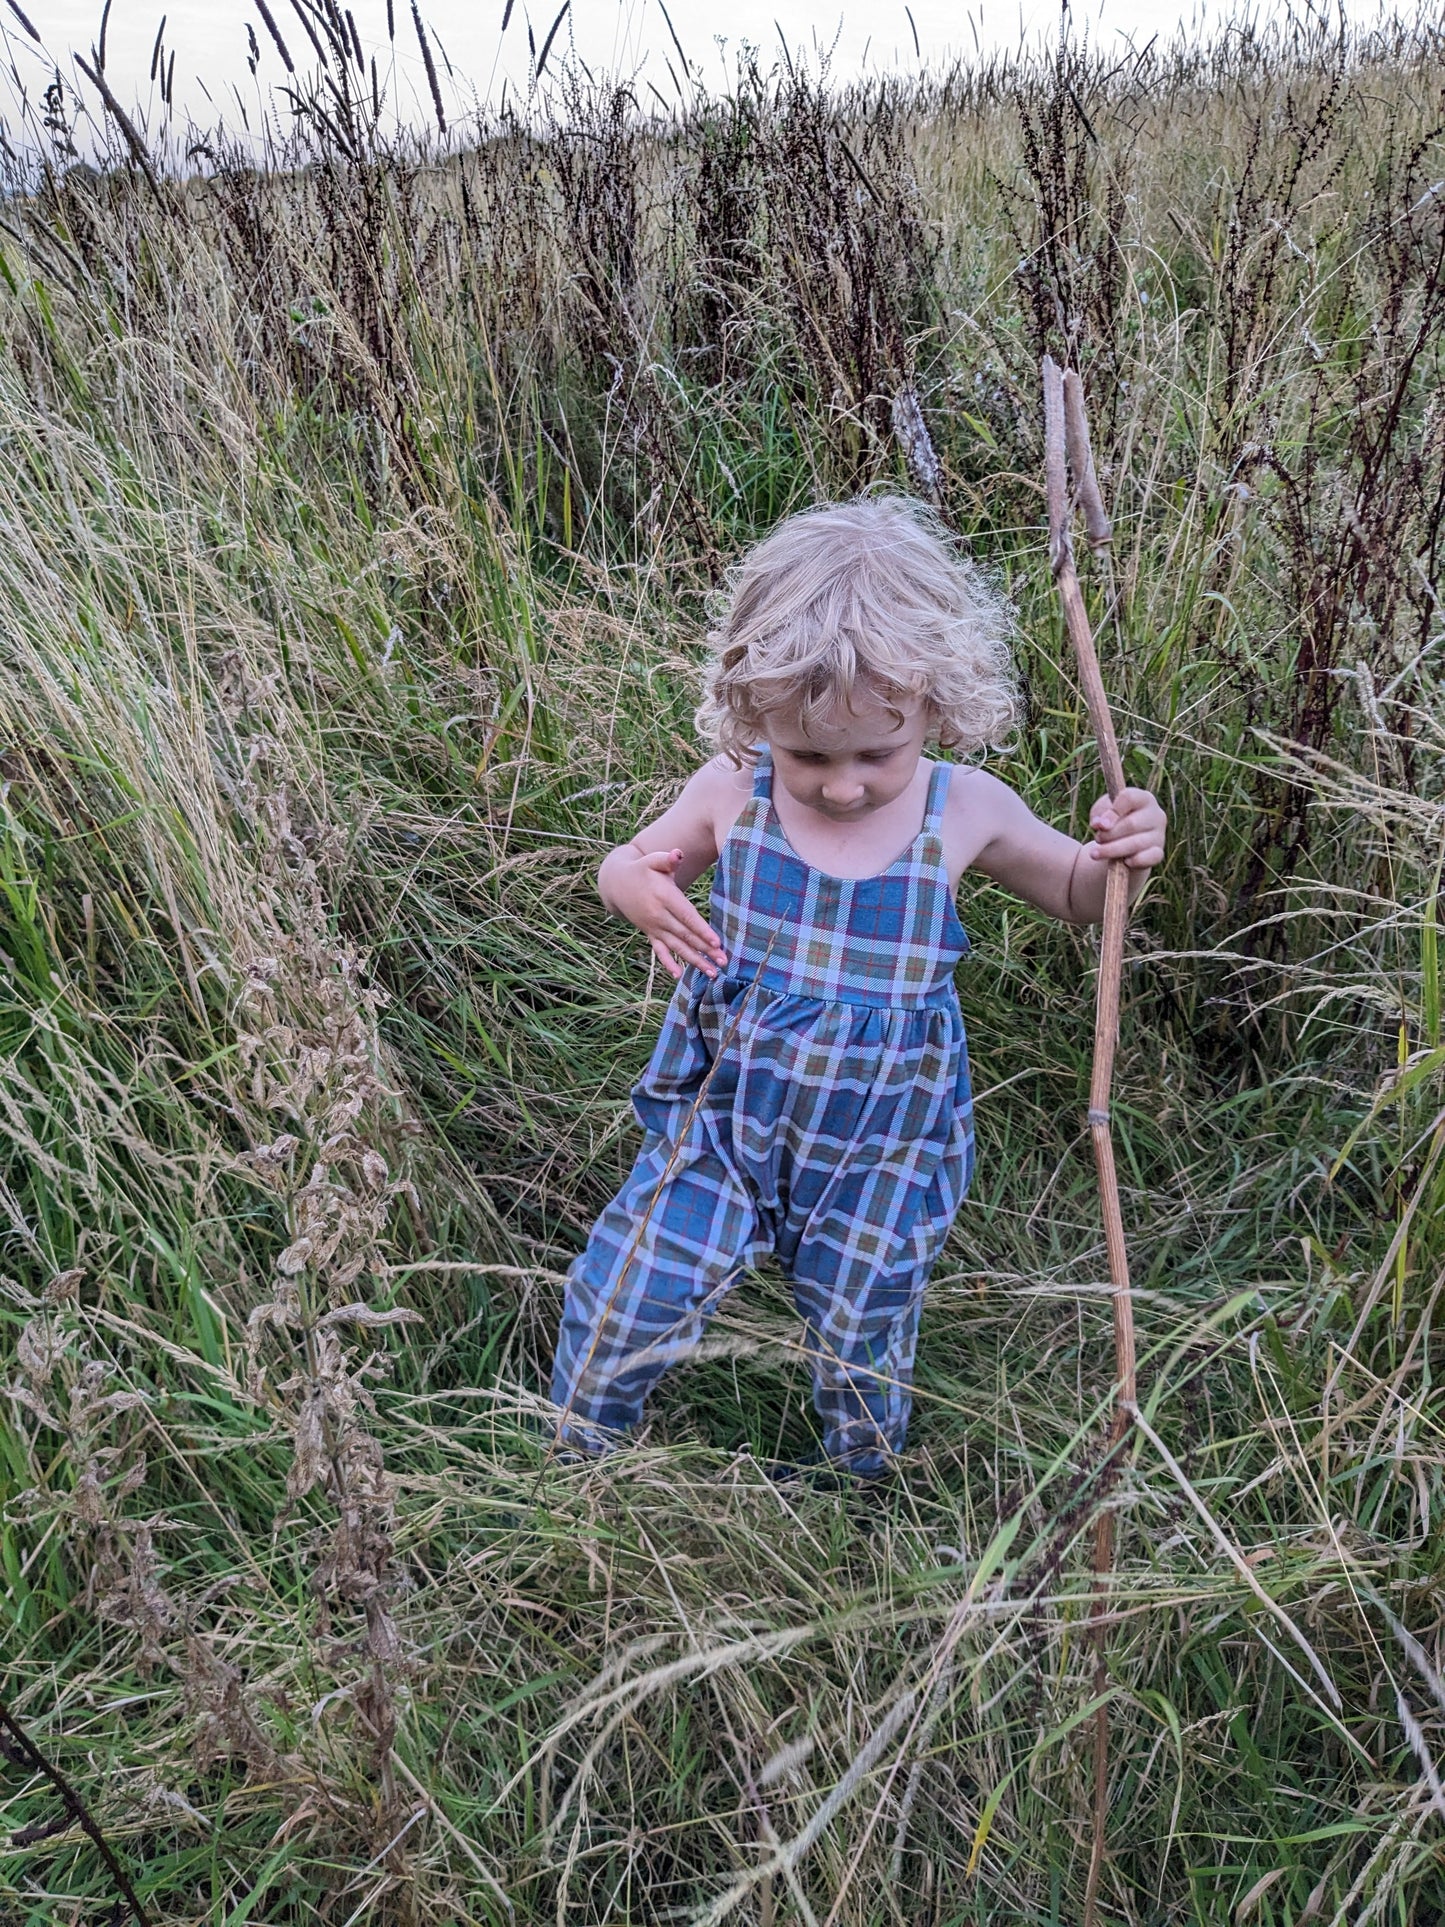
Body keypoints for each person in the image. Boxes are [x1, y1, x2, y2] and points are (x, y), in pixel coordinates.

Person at [550, 495, 1166, 1476]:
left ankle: (860, 1483)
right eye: (807, 756)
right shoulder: (729, 790)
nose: (841, 786)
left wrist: (1120, 852)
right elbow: (627, 860)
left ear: (934, 702)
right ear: (753, 713)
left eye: (875, 752)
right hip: (727, 1122)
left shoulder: (962, 809)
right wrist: (630, 884)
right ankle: (573, 1456)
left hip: (883, 1145)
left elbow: (1078, 894)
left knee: (860, 1323)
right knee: (627, 1288)